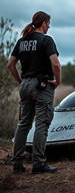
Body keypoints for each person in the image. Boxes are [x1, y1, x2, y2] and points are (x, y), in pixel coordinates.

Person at [7, 11, 62, 174]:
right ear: (44, 22)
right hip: (42, 86)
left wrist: (21, 82)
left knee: (23, 124)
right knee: (41, 124)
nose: (49, 26)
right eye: (49, 23)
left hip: (25, 84)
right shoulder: (47, 40)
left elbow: (10, 65)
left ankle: (17, 163)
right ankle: (39, 164)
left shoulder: (22, 41)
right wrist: (57, 82)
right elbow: (56, 64)